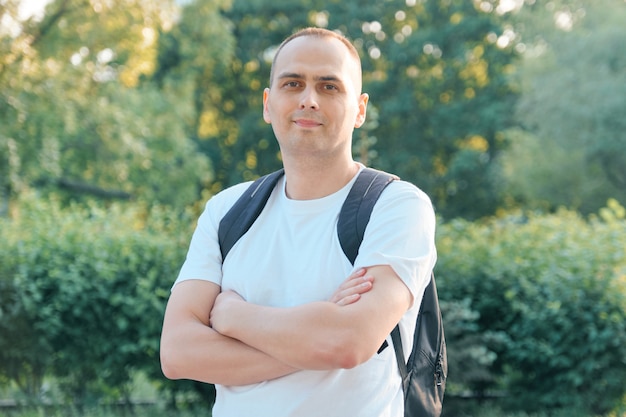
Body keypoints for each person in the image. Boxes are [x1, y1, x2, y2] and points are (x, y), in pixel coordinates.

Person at [160, 27, 437, 417]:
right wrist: (315, 333)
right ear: (268, 104)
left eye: (329, 87)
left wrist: (233, 317)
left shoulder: (396, 207)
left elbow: (348, 343)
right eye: (293, 84)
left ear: (359, 109)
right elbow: (177, 353)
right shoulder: (227, 210)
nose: (309, 100)